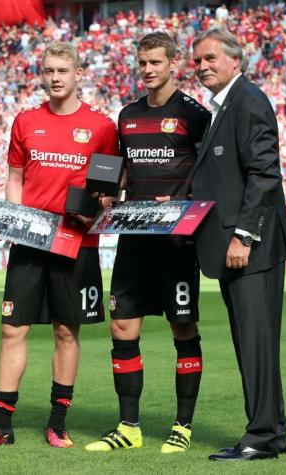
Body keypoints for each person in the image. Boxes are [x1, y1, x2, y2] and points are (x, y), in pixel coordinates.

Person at [0, 42, 119, 449]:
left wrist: (97, 211)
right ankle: (0, 425)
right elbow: (14, 177)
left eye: (63, 70)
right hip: (30, 242)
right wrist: (16, 220)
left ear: (78, 73)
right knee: (12, 328)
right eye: (49, 70)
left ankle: (58, 422)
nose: (55, 77)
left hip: (76, 243)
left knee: (66, 331)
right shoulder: (26, 121)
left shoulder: (101, 127)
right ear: (42, 74)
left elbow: (108, 190)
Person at [85, 32, 211, 454]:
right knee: (122, 326)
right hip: (134, 236)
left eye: (156, 62)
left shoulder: (194, 114)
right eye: (142, 63)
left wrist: (182, 201)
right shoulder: (128, 115)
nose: (148, 69)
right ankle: (129, 427)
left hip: (176, 241)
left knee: (183, 326)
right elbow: (118, 167)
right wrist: (105, 192)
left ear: (174, 63)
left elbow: (209, 173)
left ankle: (183, 426)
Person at [190, 27, 286, 461]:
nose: (202, 67)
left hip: (250, 248)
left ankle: (261, 436)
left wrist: (243, 236)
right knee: (255, 343)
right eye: (198, 61)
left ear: (235, 60)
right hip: (238, 247)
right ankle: (274, 430)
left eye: (210, 58)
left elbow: (265, 175)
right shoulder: (224, 105)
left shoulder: (247, 100)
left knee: (254, 343)